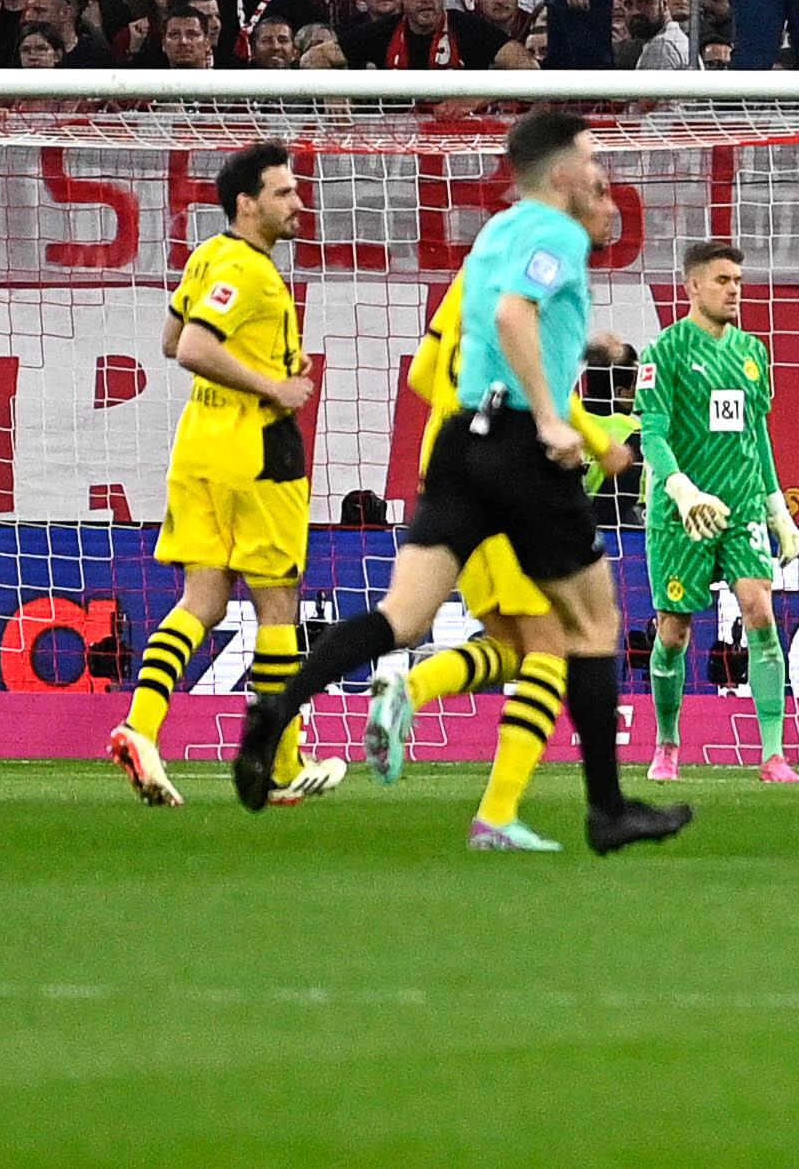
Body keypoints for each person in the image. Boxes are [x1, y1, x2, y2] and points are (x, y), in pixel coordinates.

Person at [233, 105, 689, 850]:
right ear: (564, 171)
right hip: (517, 442)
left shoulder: (499, 232)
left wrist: (582, 343)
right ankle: (607, 809)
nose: (601, 169)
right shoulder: (555, 232)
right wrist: (552, 418)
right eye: (592, 156)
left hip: (456, 439)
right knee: (593, 622)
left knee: (403, 619)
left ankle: (278, 708)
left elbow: (489, 321)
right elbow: (514, 316)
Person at [361, 222, 645, 830]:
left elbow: (419, 376)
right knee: (556, 648)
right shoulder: (531, 285)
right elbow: (525, 391)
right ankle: (496, 814)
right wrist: (600, 442)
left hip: (449, 475)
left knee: (514, 648)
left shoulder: (470, 276)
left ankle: (408, 690)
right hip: (510, 474)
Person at [108, 144, 339, 809]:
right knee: (278, 605)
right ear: (248, 203)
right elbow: (196, 348)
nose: (298, 204)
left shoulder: (209, 254)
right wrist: (274, 385)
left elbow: (170, 336)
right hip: (256, 447)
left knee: (202, 602)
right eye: (284, 194)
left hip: (200, 445)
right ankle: (281, 761)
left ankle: (140, 729)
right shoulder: (252, 274)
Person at [639, 239, 799, 784]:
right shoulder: (664, 351)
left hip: (741, 506)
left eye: (738, 281)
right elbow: (653, 433)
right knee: (675, 632)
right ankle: (666, 745)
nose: (734, 290)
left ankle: (773, 753)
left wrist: (777, 507)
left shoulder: (753, 353)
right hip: (681, 514)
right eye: (723, 281)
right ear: (693, 287)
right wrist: (682, 490)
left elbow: (757, 433)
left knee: (758, 611)